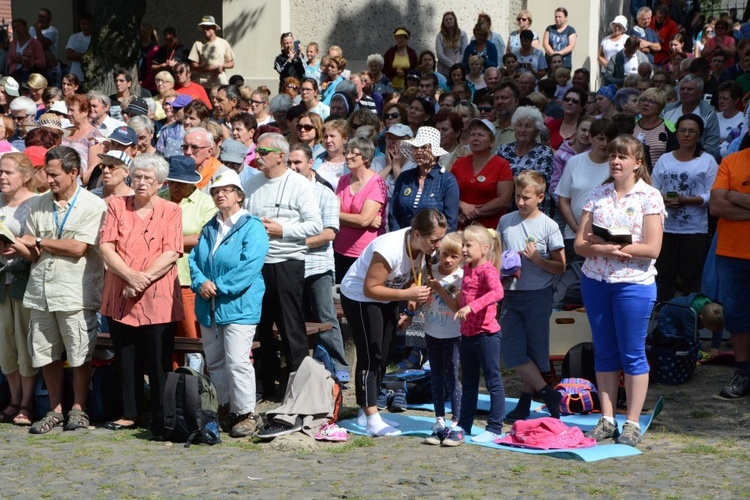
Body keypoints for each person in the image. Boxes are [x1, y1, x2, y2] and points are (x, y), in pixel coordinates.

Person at [575, 136, 665, 447]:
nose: (616, 161)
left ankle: (632, 422)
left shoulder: (649, 196)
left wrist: (619, 249)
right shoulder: (598, 194)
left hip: (633, 284)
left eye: (623, 157)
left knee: (632, 354)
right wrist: (600, 248)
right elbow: (579, 243)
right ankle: (607, 418)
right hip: (596, 280)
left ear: (638, 163)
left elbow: (653, 247)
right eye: (613, 156)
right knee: (604, 350)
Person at [18, 146, 107, 434]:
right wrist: (16, 246)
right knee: (45, 353)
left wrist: (39, 241)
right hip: (41, 291)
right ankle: (54, 409)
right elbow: (32, 253)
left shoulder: (93, 205)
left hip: (75, 293)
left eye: (54, 174)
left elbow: (78, 248)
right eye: (46, 172)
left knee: (79, 353)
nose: (49, 178)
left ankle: (79, 408)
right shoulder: (38, 204)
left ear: (73, 173)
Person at [340, 208, 446, 436]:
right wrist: (406, 297)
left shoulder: (421, 247)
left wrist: (408, 312)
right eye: (434, 240)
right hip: (360, 296)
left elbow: (412, 283)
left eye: (440, 239)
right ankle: (370, 417)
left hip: (387, 293)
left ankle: (365, 411)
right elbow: (370, 288)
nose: (438, 245)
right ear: (416, 234)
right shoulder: (389, 248)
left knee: (384, 353)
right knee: (371, 354)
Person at [99, 154, 183, 432]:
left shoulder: (171, 210)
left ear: (160, 182)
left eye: (148, 178)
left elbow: (171, 251)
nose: (142, 182)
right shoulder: (116, 206)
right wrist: (130, 276)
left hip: (157, 295)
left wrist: (141, 279)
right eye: (137, 176)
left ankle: (162, 414)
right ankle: (130, 412)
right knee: (126, 355)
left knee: (159, 357)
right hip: (121, 292)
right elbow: (106, 246)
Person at [187, 168, 266, 437]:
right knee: (216, 360)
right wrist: (200, 283)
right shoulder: (210, 226)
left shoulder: (252, 227)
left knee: (237, 361)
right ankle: (224, 408)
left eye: (226, 190)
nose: (220, 195)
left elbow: (249, 266)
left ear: (239, 195)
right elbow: (194, 260)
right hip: (209, 306)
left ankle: (246, 412)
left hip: (238, 305)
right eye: (215, 192)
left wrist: (218, 286)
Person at [243, 132, 322, 399]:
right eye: (256, 152)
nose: (258, 157)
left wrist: (282, 230)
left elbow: (315, 225)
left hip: (287, 261)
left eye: (263, 152)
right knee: (260, 327)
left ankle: (300, 389)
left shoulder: (299, 184)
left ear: (281, 155)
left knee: (290, 328)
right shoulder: (251, 183)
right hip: (257, 264)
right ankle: (265, 386)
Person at [499, 170, 565, 423]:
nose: (520, 202)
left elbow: (560, 265)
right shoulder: (506, 221)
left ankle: (526, 402)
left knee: (536, 351)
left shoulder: (548, 226)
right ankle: (548, 393)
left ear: (540, 197)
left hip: (538, 294)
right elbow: (498, 254)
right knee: (512, 350)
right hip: (511, 294)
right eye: (517, 196)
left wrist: (538, 260)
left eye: (526, 197)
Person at [652, 114, 717, 303]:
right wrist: (665, 199)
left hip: (694, 228)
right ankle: (663, 318)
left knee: (691, 277)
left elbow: (712, 194)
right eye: (682, 130)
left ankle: (691, 321)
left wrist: (687, 200)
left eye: (692, 131)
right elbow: (652, 189)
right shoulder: (664, 159)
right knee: (664, 276)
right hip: (665, 227)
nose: (686, 135)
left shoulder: (708, 160)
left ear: (699, 136)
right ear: (677, 133)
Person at [454, 224, 505, 443]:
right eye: (463, 244)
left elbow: (498, 292)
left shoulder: (488, 270)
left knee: (493, 381)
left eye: (468, 245)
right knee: (469, 382)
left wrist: (471, 307)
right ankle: (465, 424)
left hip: (486, 335)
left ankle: (495, 427)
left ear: (484, 249)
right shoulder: (467, 268)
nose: (464, 249)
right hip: (467, 335)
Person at [709, 138, 750, 399]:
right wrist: (728, 199)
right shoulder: (732, 161)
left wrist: (735, 196)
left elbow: (726, 201)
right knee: (736, 316)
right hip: (732, 254)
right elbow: (716, 205)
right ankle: (743, 373)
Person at [0, 153, 38, 426]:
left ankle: (27, 403)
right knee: (7, 344)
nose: (2, 177)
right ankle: (13, 400)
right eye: (0, 172)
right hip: (2, 283)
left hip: (25, 281)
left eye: (8, 173)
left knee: (26, 344)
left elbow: (38, 249)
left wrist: (17, 245)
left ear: (25, 176)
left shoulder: (35, 204)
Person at [418, 232, 463, 445]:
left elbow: (456, 305)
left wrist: (438, 288)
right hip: (431, 330)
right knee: (435, 375)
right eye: (445, 254)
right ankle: (439, 420)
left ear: (462, 256)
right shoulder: (430, 271)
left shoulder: (460, 277)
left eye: (454, 256)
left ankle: (456, 422)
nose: (448, 260)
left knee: (451, 376)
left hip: (453, 333)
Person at [555, 118, 618, 260]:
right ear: (590, 137)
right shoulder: (575, 161)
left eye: (609, 139)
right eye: (600, 139)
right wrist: (577, 229)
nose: (605, 144)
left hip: (608, 239)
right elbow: (563, 200)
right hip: (574, 237)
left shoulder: (617, 165)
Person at [333, 136, 387, 281]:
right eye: (347, 152)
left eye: (353, 153)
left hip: (364, 252)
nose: (348, 156)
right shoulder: (343, 180)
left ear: (365, 157)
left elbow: (363, 220)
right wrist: (364, 220)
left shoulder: (376, 183)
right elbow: (332, 214)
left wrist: (363, 220)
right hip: (340, 249)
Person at [389, 125, 459, 233]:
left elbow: (450, 222)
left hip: (434, 244)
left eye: (424, 147)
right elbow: (394, 214)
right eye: (416, 147)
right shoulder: (404, 177)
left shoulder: (447, 180)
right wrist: (399, 240)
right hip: (403, 241)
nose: (419, 151)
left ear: (434, 151)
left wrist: (435, 244)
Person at [452, 118, 513, 229]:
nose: (475, 138)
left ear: (491, 142)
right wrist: (461, 205)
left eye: (481, 135)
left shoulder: (502, 165)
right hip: (460, 227)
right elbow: (447, 191)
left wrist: (472, 213)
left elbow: (504, 200)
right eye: (472, 135)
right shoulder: (459, 163)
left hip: (490, 228)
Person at [496, 106, 555, 216]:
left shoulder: (544, 152)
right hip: (505, 208)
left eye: (528, 126)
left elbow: (539, 182)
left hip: (534, 210)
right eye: (519, 125)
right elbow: (494, 176)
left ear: (537, 130)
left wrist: (508, 181)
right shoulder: (503, 150)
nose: (522, 130)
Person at [663, 74, 721, 159]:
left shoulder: (708, 114)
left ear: (700, 93)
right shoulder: (667, 110)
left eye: (689, 89)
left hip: (698, 161)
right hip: (668, 159)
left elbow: (711, 146)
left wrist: (692, 161)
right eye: (682, 89)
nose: (685, 92)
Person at [549, 114, 592, 203]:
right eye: (583, 130)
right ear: (576, 130)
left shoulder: (595, 155)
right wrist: (563, 205)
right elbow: (554, 185)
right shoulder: (561, 154)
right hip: (562, 205)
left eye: (590, 132)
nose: (586, 134)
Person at [63, 93, 103, 186]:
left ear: (85, 112)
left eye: (72, 110)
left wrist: (77, 184)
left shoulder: (94, 135)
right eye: (68, 110)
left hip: (79, 186)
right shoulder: (65, 131)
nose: (69, 113)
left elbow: (93, 168)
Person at [634, 87, 676, 169]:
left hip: (659, 176)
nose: (646, 104)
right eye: (643, 100)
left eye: (651, 101)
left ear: (659, 107)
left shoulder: (670, 128)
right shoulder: (631, 125)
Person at [189, 15, 235, 90]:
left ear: (214, 28)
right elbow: (193, 65)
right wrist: (208, 68)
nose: (205, 30)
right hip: (203, 83)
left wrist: (221, 66)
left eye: (208, 27)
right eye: (203, 27)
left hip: (220, 82)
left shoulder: (223, 43)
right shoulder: (198, 43)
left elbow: (231, 63)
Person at [182, 127, 227, 192]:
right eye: (185, 147)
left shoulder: (224, 174)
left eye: (195, 147)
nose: (188, 152)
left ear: (209, 152)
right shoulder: (178, 171)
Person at [314, 119, 349, 191]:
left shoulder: (352, 163)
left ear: (345, 139)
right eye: (325, 136)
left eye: (332, 136)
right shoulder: (315, 161)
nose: (328, 140)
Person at [383, 27, 418, 92]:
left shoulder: (412, 53)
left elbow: (415, 69)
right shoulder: (390, 52)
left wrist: (404, 72)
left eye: (402, 38)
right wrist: (395, 71)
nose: (399, 40)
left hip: (407, 86)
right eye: (397, 38)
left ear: (407, 39)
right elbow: (384, 68)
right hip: (391, 85)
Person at [436, 12, 468, 77]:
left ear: (455, 20)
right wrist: (452, 65)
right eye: (446, 20)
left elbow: (464, 52)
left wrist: (457, 65)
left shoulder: (462, 34)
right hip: (444, 71)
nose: (448, 21)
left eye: (450, 19)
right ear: (443, 22)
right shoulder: (440, 36)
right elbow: (440, 54)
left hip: (459, 69)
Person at [64, 14, 92, 83]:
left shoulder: (95, 38)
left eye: (88, 24)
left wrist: (77, 55)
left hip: (91, 77)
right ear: (80, 24)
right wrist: (87, 56)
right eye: (83, 23)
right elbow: (69, 55)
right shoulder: (74, 37)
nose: (86, 26)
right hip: (75, 76)